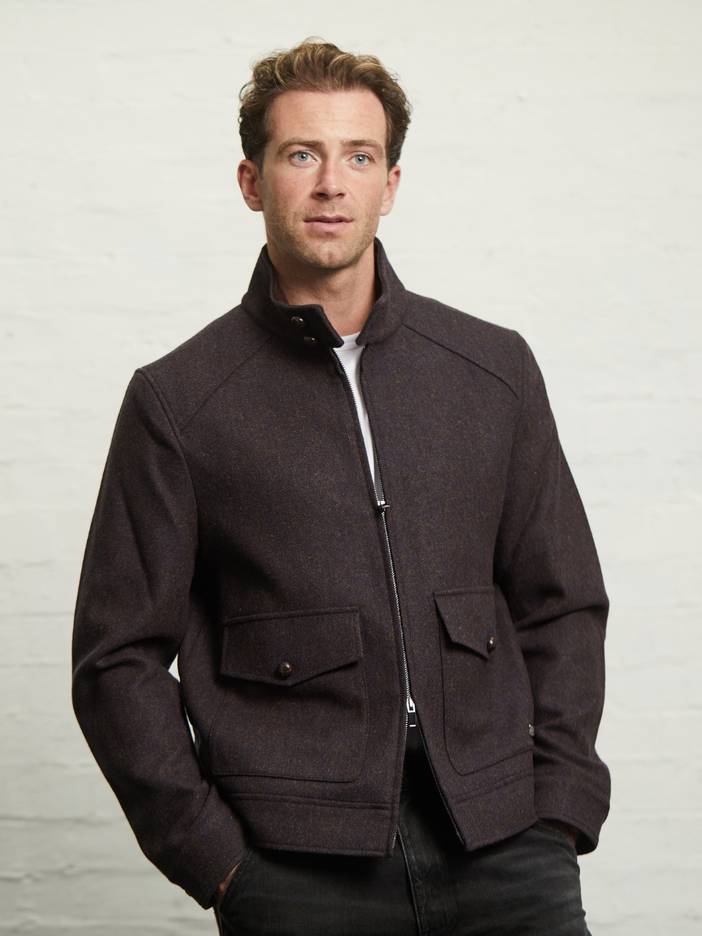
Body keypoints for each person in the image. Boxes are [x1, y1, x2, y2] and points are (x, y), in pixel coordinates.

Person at [71, 37, 611, 935]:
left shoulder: (492, 370)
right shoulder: (179, 401)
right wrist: (217, 861)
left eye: (359, 157)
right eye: (302, 155)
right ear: (252, 182)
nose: (332, 184)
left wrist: (559, 806)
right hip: (295, 867)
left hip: (505, 839)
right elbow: (115, 657)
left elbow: (562, 602)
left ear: (390, 184)